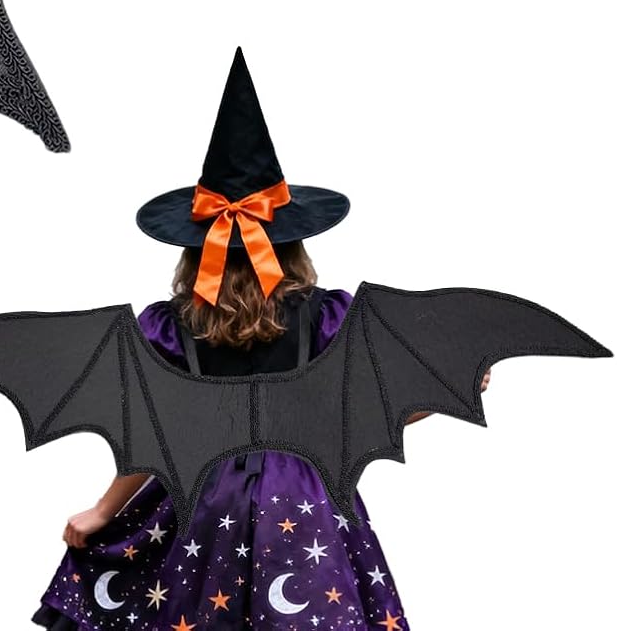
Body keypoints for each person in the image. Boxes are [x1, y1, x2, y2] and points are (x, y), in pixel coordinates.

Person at [33, 49, 486, 631]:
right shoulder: (328, 318)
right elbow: (371, 407)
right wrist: (443, 390)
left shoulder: (172, 327)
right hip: (305, 506)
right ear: (293, 244)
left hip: (202, 503)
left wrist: (103, 512)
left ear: (194, 250)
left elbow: (149, 436)